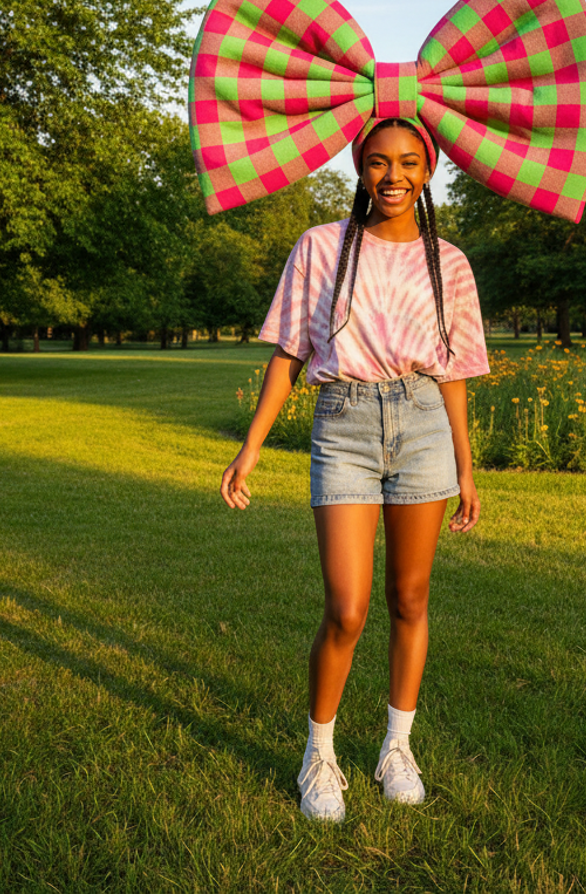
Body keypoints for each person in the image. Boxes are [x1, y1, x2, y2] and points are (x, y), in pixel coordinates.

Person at [219, 115, 490, 822]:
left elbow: (455, 372)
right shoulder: (319, 246)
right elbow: (287, 353)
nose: (392, 176)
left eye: (407, 162)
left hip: (425, 424)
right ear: (359, 169)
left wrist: (466, 465)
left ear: (428, 169)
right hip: (343, 424)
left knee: (411, 599)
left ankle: (396, 748)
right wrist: (251, 445)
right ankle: (321, 756)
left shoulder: (449, 262)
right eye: (377, 162)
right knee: (346, 609)